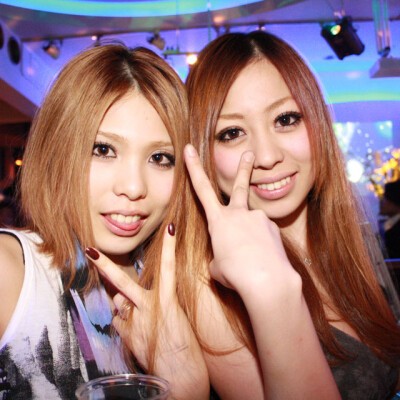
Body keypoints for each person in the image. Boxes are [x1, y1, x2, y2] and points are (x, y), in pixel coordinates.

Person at [181, 30, 400, 399]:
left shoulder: (349, 245)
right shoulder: (209, 291)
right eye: (232, 133)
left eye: (285, 119)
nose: (267, 156)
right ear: (202, 152)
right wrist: (270, 289)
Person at [0, 44, 208, 399]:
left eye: (160, 157)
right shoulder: (11, 272)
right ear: (57, 152)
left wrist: (190, 388)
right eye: (103, 149)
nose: (134, 187)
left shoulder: (186, 286)